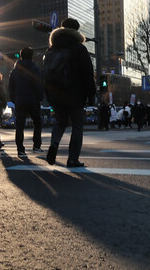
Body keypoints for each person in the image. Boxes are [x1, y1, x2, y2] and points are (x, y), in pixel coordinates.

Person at [43, 18, 95, 167]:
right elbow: (87, 73)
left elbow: (44, 74)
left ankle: (54, 145)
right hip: (75, 95)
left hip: (56, 95)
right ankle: (72, 159)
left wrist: (48, 95)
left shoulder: (51, 50)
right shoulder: (79, 48)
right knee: (77, 126)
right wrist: (91, 94)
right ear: (76, 31)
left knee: (60, 122)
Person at [8, 47, 44, 156]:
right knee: (37, 123)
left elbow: (10, 88)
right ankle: (36, 146)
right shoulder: (35, 69)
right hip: (33, 100)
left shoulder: (15, 71)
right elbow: (39, 85)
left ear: (21, 56)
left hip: (20, 101)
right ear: (32, 56)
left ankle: (20, 149)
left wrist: (14, 99)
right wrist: (40, 97)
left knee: (20, 126)